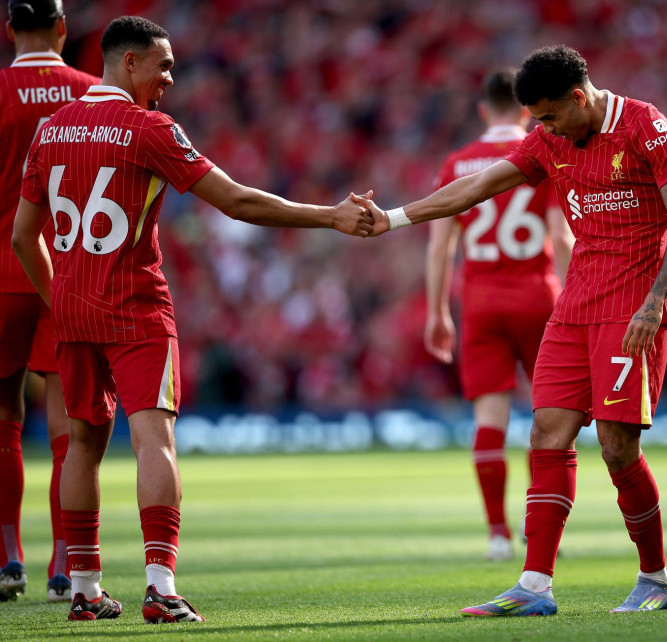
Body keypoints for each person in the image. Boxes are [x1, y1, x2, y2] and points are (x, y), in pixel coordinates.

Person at [12, 15, 372, 622]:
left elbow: (24, 236)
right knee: (155, 437)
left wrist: (59, 298)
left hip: (73, 312)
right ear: (130, 64)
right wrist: (330, 216)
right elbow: (235, 201)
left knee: (81, 444)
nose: (171, 78)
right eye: (164, 66)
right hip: (134, 306)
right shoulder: (149, 128)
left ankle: (83, 589)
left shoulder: (50, 130)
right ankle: (159, 583)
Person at [352, 44, 667, 616]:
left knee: (617, 449)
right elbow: (477, 188)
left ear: (578, 98)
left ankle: (656, 579)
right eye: (537, 120)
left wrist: (655, 301)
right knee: (545, 433)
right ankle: (534, 586)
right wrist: (392, 219)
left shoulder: (645, 125)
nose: (544, 129)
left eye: (550, 116)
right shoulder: (549, 139)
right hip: (572, 306)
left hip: (631, 310)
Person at [426, 68, 572, 562]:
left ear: (484, 110)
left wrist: (437, 310)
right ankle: (538, 530)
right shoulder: (545, 152)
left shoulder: (457, 163)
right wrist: (578, 294)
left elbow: (441, 248)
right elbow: (562, 236)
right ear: (529, 109)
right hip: (539, 295)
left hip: (482, 301)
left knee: (489, 417)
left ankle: (496, 534)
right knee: (549, 415)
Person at [0, 0, 97, 604]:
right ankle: (66, 565)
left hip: (3, 267)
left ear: (8, 27)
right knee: (71, 427)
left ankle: (8, 555)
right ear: (63, 27)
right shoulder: (93, 94)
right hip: (68, 269)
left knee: (4, 418)